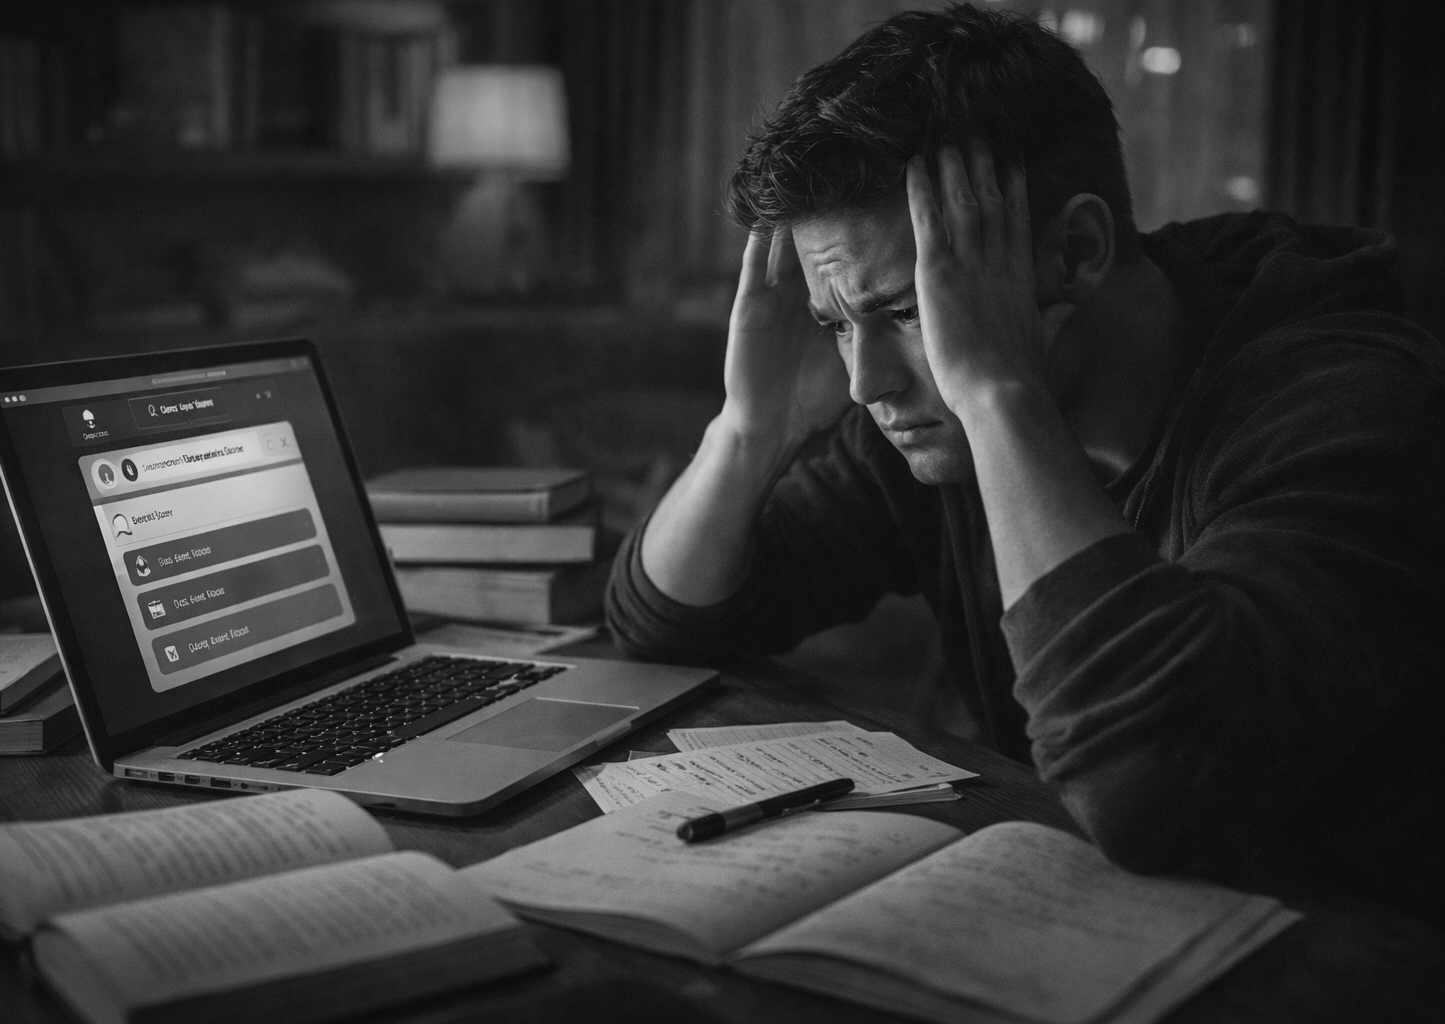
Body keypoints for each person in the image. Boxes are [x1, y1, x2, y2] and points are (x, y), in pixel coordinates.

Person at [606, 5, 1445, 918]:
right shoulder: (928, 418)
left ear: (1077, 251)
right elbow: (665, 628)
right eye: (836, 323)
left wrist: (999, 391)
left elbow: (1155, 788)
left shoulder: (1342, 398)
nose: (865, 383)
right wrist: (749, 431)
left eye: (907, 309)